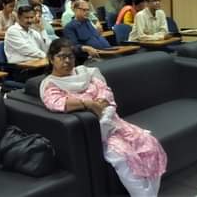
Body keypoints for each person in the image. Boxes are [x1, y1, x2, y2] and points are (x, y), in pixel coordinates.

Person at [40, 39, 167, 197]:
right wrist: (88, 103)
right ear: (52, 59)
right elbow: (56, 103)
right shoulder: (51, 84)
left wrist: (100, 104)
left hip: (114, 123)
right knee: (124, 156)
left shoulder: (86, 72)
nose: (67, 61)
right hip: (97, 133)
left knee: (150, 144)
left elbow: (105, 91)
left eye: (70, 56)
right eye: (62, 56)